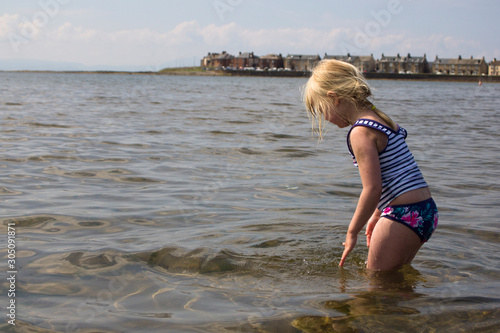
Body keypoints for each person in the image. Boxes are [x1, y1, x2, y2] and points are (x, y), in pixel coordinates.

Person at [302, 59, 438, 271]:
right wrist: (377, 214)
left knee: (374, 287)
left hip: (402, 215)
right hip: (425, 211)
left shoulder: (360, 132)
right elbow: (393, 174)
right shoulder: (381, 119)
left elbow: (372, 189)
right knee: (395, 281)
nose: (324, 118)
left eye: (321, 110)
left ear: (334, 98)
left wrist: (352, 231)